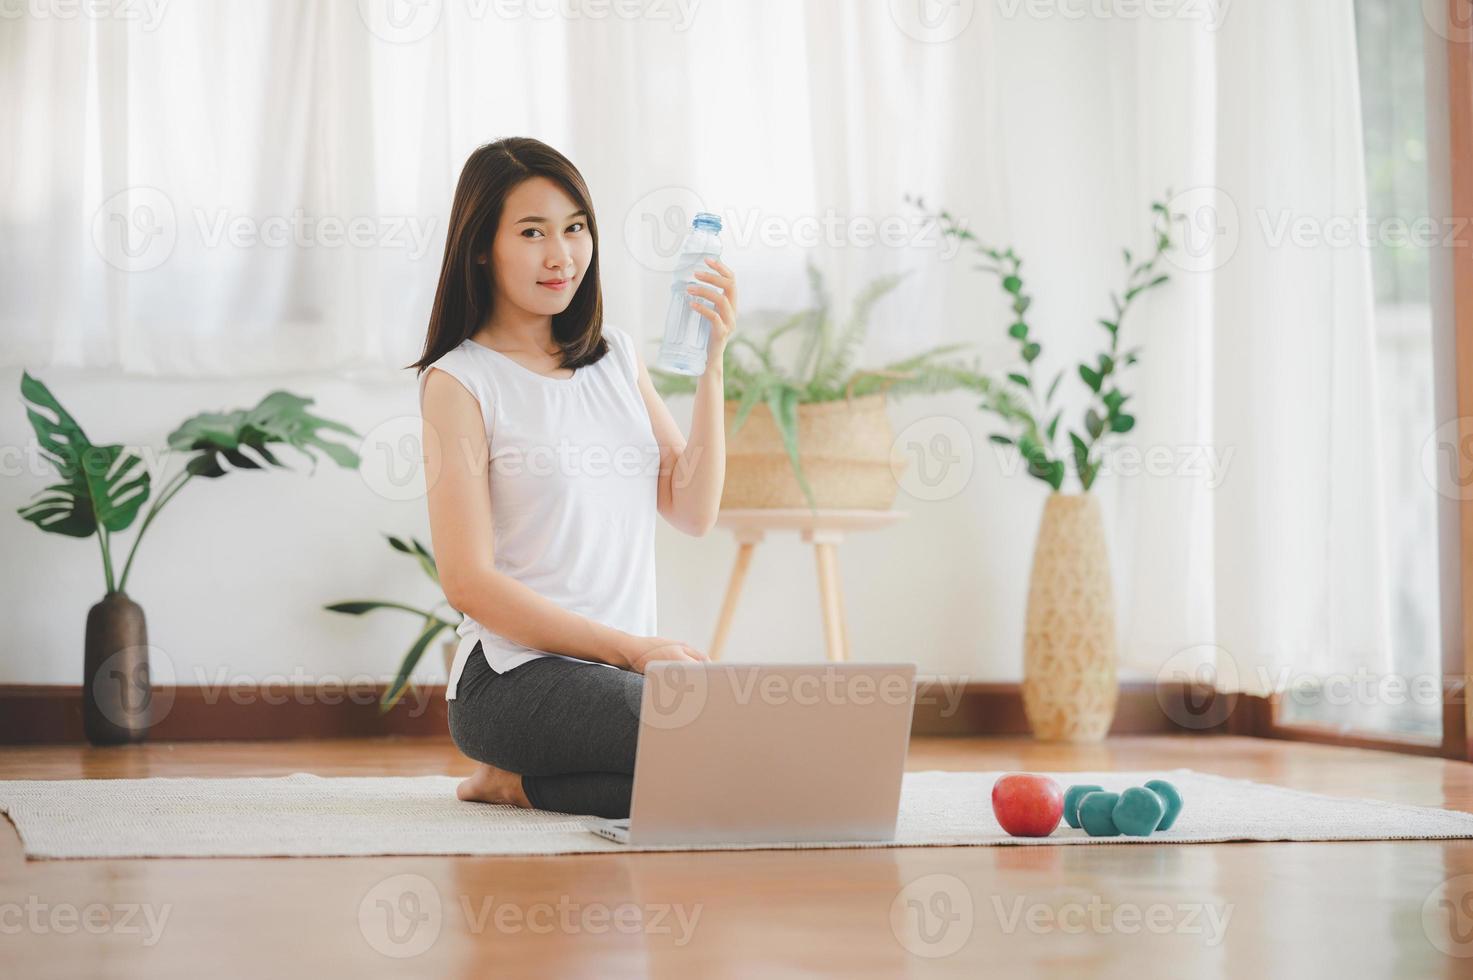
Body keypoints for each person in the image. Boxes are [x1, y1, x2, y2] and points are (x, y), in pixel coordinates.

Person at [410, 137, 736, 819]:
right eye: (532, 233)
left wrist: (712, 368)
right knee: (715, 744)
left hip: (619, 674)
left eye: (575, 228)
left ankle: (514, 786)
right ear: (480, 247)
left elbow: (691, 508)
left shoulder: (614, 355)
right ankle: (508, 769)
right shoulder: (460, 382)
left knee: (735, 762)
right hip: (510, 679)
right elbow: (467, 582)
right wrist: (630, 649)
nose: (561, 255)